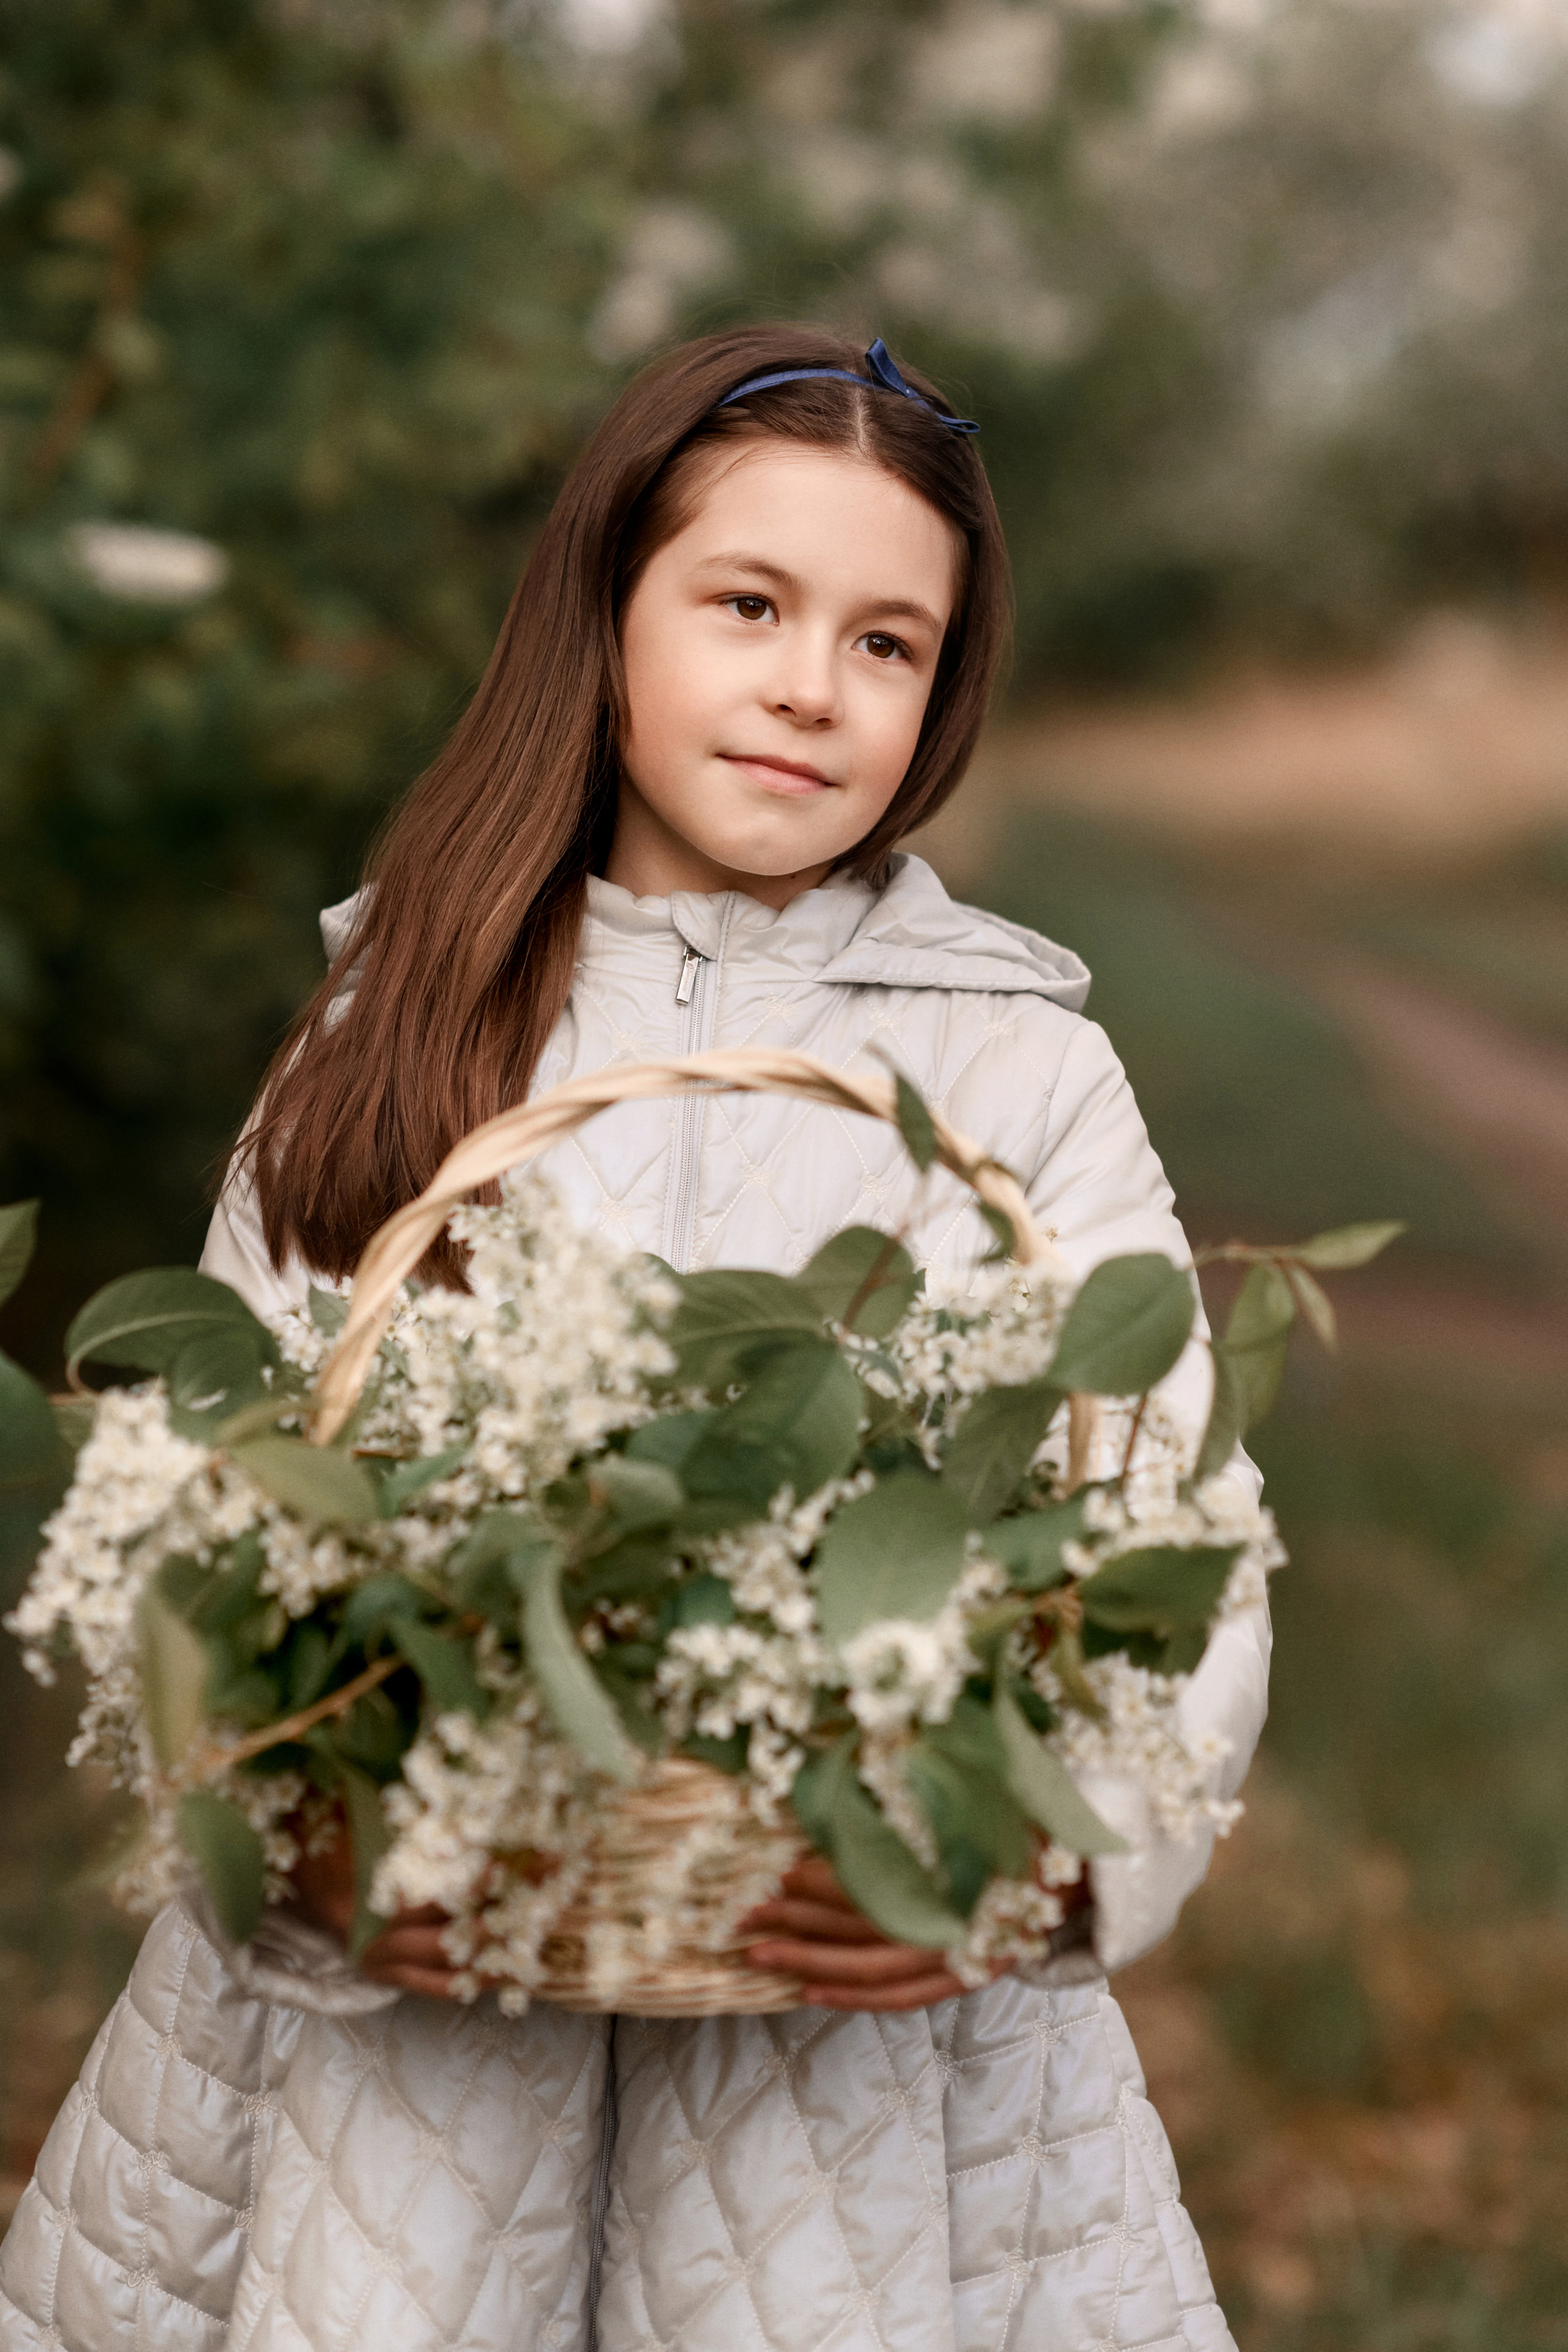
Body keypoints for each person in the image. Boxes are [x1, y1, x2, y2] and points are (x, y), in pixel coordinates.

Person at [0, 326, 1268, 2352]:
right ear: (608, 613)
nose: (808, 685)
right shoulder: (396, 1020)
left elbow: (1168, 1526)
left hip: (863, 2054)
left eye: (888, 644)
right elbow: (227, 1503)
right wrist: (304, 1805)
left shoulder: (1017, 1068)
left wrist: (1033, 1866)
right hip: (394, 2047)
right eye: (750, 605)